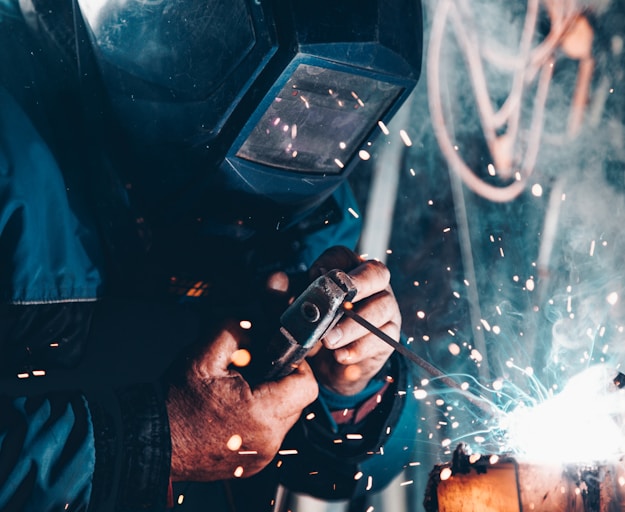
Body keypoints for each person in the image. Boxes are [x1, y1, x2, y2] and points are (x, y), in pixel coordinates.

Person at [0, 0, 423, 510]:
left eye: (334, 109)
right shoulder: (14, 134)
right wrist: (148, 445)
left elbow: (340, 474)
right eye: (293, 104)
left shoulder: (301, 181)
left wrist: (350, 388)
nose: (297, 133)